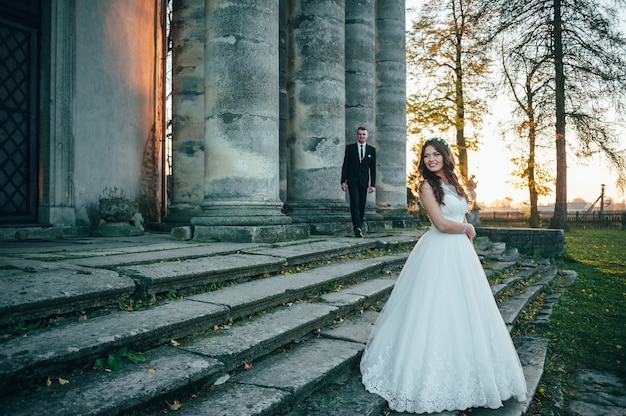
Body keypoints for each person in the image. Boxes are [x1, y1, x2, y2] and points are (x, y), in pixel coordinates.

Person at [360, 137, 527, 413]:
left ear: (445, 156)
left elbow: (459, 215)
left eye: (435, 154)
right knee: (435, 308)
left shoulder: (453, 183)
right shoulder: (427, 186)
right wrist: (467, 230)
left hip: (460, 252)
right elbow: (439, 223)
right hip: (438, 250)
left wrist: (465, 234)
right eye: (426, 156)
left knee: (465, 309)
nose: (431, 159)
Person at [341, 126, 376, 237]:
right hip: (352, 180)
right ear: (357, 135)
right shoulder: (350, 148)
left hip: (364, 181)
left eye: (364, 134)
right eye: (360, 134)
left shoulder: (371, 150)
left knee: (362, 204)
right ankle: (357, 227)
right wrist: (343, 181)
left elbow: (373, 168)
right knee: (355, 203)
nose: (362, 136)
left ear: (367, 136)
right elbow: (345, 165)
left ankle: (359, 226)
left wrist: (373, 185)